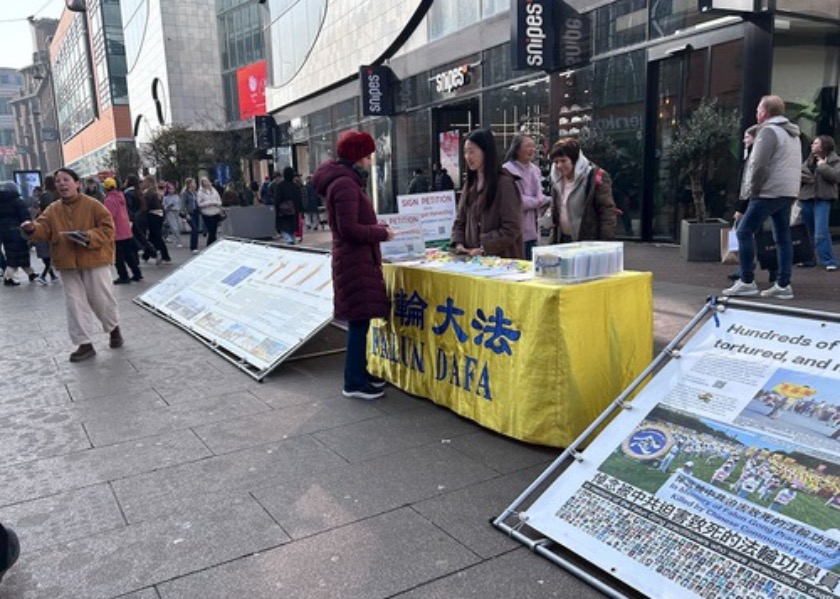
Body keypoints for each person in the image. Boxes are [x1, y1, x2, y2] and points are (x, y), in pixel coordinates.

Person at [312, 130, 395, 401]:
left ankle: (360, 372)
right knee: (359, 322)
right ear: (358, 156)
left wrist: (375, 229)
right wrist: (380, 233)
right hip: (353, 260)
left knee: (361, 320)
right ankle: (354, 381)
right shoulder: (345, 185)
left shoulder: (344, 181)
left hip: (354, 259)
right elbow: (349, 229)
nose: (371, 160)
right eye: (368, 155)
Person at [20, 167, 123, 361]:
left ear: (77, 184)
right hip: (66, 261)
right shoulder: (52, 209)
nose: (62, 184)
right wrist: (32, 228)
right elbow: (44, 229)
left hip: (94, 259)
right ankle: (84, 344)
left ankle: (113, 329)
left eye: (66, 180)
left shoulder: (93, 205)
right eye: (58, 181)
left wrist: (88, 236)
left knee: (101, 299)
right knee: (75, 303)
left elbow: (108, 228)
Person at [723, 95, 802, 299]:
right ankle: (784, 284)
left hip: (768, 191)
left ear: (765, 112)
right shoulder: (793, 134)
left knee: (743, 232)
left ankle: (747, 280)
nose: (756, 112)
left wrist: (754, 190)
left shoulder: (767, 131)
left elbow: (759, 164)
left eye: (758, 108)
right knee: (783, 238)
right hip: (787, 192)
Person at [450, 129, 524, 259]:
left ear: (486, 152)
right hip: (472, 261)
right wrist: (458, 243)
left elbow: (512, 227)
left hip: (501, 263)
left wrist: (484, 247)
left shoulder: (504, 184)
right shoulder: (470, 184)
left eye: (472, 152)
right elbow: (460, 220)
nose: (468, 157)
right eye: (465, 152)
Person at [548, 137, 616, 243]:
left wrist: (604, 243)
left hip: (587, 243)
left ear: (575, 160)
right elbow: (556, 216)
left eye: (563, 161)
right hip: (563, 241)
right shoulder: (556, 179)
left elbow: (606, 211)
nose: (559, 165)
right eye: (556, 162)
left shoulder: (595, 177)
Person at [503, 134, 551, 260]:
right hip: (516, 232)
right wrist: (539, 201)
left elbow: (540, 195)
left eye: (534, 147)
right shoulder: (507, 170)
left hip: (535, 231)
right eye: (528, 146)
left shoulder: (535, 170)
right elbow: (517, 201)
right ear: (517, 149)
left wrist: (549, 200)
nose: (532, 150)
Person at [798, 134, 839, 271]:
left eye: (816, 143)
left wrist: (822, 166)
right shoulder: (809, 160)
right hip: (807, 197)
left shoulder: (835, 161)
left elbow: (836, 177)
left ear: (824, 146)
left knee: (821, 230)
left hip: (823, 198)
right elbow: (800, 174)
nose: (812, 146)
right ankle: (809, 258)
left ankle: (828, 260)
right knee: (806, 230)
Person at [103, 177, 142, 284]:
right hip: (126, 229)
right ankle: (137, 273)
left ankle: (123, 276)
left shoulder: (109, 200)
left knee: (118, 257)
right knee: (129, 254)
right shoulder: (121, 196)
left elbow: (110, 216)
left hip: (117, 232)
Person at [0, 181, 38, 286]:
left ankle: (31, 273)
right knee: (18, 254)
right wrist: (29, 227)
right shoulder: (18, 201)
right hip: (17, 230)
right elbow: (24, 216)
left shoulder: (1, 201)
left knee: (13, 254)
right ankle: (10, 277)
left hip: (4, 232)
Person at [124, 174, 157, 263]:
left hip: (134, 218)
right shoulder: (139, 192)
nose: (125, 182)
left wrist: (130, 218)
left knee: (134, 238)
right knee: (141, 237)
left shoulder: (128, 193)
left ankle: (148, 253)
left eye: (126, 181)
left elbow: (129, 207)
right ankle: (152, 251)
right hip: (141, 218)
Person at [34, 175, 59, 284]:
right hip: (51, 225)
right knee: (52, 252)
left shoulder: (45, 195)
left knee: (48, 252)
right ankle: (45, 275)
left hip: (44, 224)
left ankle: (51, 275)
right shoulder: (53, 195)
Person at [142, 177, 171, 264]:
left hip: (153, 215)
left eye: (145, 182)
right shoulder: (155, 192)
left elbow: (149, 205)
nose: (143, 183)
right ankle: (146, 255)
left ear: (149, 182)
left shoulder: (150, 193)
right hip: (158, 215)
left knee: (156, 236)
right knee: (152, 236)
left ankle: (164, 255)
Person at [273, 166, 303, 244]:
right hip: (294, 211)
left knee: (284, 228)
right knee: (292, 228)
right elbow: (299, 199)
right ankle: (292, 240)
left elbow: (277, 199)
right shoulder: (296, 186)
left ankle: (289, 240)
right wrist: (300, 210)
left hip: (283, 211)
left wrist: (277, 208)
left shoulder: (280, 186)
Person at [197, 176, 223, 246]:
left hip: (215, 212)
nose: (206, 183)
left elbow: (219, 200)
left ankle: (212, 243)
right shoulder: (200, 192)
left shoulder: (214, 190)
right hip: (207, 213)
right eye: (204, 181)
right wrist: (208, 203)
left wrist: (215, 202)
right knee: (210, 229)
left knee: (214, 229)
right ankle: (210, 244)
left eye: (207, 181)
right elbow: (199, 204)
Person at [181, 178, 201, 254]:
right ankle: (193, 247)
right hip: (190, 213)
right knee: (194, 228)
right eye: (193, 183)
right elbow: (183, 205)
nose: (195, 184)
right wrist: (186, 214)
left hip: (196, 212)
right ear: (189, 184)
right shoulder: (185, 193)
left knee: (196, 229)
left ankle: (195, 245)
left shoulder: (195, 193)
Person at [162, 182, 184, 248]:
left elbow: (180, 205)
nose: (171, 190)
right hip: (170, 213)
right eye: (170, 189)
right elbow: (164, 207)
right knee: (174, 227)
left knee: (180, 226)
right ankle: (178, 241)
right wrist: (169, 206)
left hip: (177, 212)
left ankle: (177, 238)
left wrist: (182, 211)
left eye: (172, 189)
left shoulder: (177, 196)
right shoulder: (165, 198)